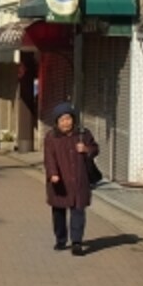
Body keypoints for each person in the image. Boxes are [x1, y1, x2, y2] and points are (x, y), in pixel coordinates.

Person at [43, 101, 99, 256]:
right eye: (62, 120)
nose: (66, 122)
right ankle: (61, 239)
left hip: (79, 180)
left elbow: (95, 148)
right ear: (56, 122)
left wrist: (86, 149)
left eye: (68, 118)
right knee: (59, 213)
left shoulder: (83, 134)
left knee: (78, 211)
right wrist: (53, 174)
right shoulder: (51, 137)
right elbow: (49, 158)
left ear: (73, 119)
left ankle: (77, 242)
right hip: (59, 182)